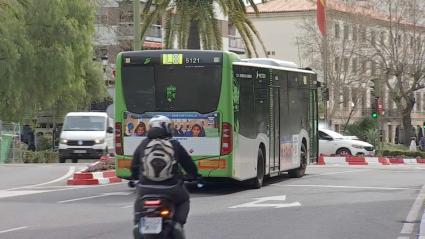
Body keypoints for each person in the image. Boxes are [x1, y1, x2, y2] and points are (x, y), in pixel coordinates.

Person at [131, 115, 199, 235]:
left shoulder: (144, 144)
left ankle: (138, 224)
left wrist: (136, 176)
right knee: (184, 200)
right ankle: (178, 224)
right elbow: (188, 164)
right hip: (171, 188)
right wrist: (193, 175)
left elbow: (134, 166)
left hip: (145, 188)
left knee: (138, 202)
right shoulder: (174, 144)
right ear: (167, 128)